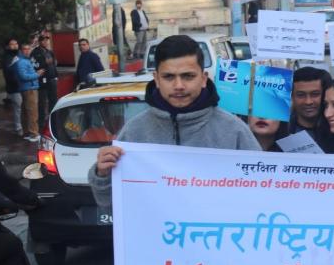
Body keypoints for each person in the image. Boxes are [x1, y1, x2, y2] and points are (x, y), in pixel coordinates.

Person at [89, 35, 261, 210]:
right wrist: (103, 174)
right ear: (156, 79)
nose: (179, 85)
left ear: (203, 78)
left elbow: (261, 196)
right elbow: (110, 206)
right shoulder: (134, 132)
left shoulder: (234, 131)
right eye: (169, 77)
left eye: (188, 76)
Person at [289, 66, 332, 138]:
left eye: (315, 94)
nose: (308, 102)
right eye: (301, 95)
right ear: (292, 96)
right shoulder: (281, 132)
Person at [10, 43, 42, 141]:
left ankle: (29, 132)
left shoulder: (24, 60)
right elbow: (23, 76)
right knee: (32, 113)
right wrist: (37, 74)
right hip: (29, 89)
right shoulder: (21, 62)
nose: (27, 51)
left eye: (29, 49)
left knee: (28, 112)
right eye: (25, 49)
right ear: (21, 50)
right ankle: (34, 134)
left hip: (28, 88)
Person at [31, 34, 58, 128]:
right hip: (42, 81)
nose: (45, 42)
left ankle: (53, 119)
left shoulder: (49, 51)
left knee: (53, 100)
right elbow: (34, 65)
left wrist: (56, 75)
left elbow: (53, 64)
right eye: (43, 40)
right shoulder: (35, 52)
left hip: (52, 79)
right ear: (39, 41)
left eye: (47, 40)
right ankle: (42, 122)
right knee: (42, 102)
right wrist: (44, 63)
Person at [0, 39, 21, 135]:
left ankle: (23, 126)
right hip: (14, 87)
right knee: (17, 108)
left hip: (23, 86)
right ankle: (18, 128)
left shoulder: (19, 55)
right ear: (8, 46)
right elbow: (9, 74)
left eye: (16, 43)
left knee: (24, 107)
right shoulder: (7, 57)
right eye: (12, 44)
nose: (15, 45)